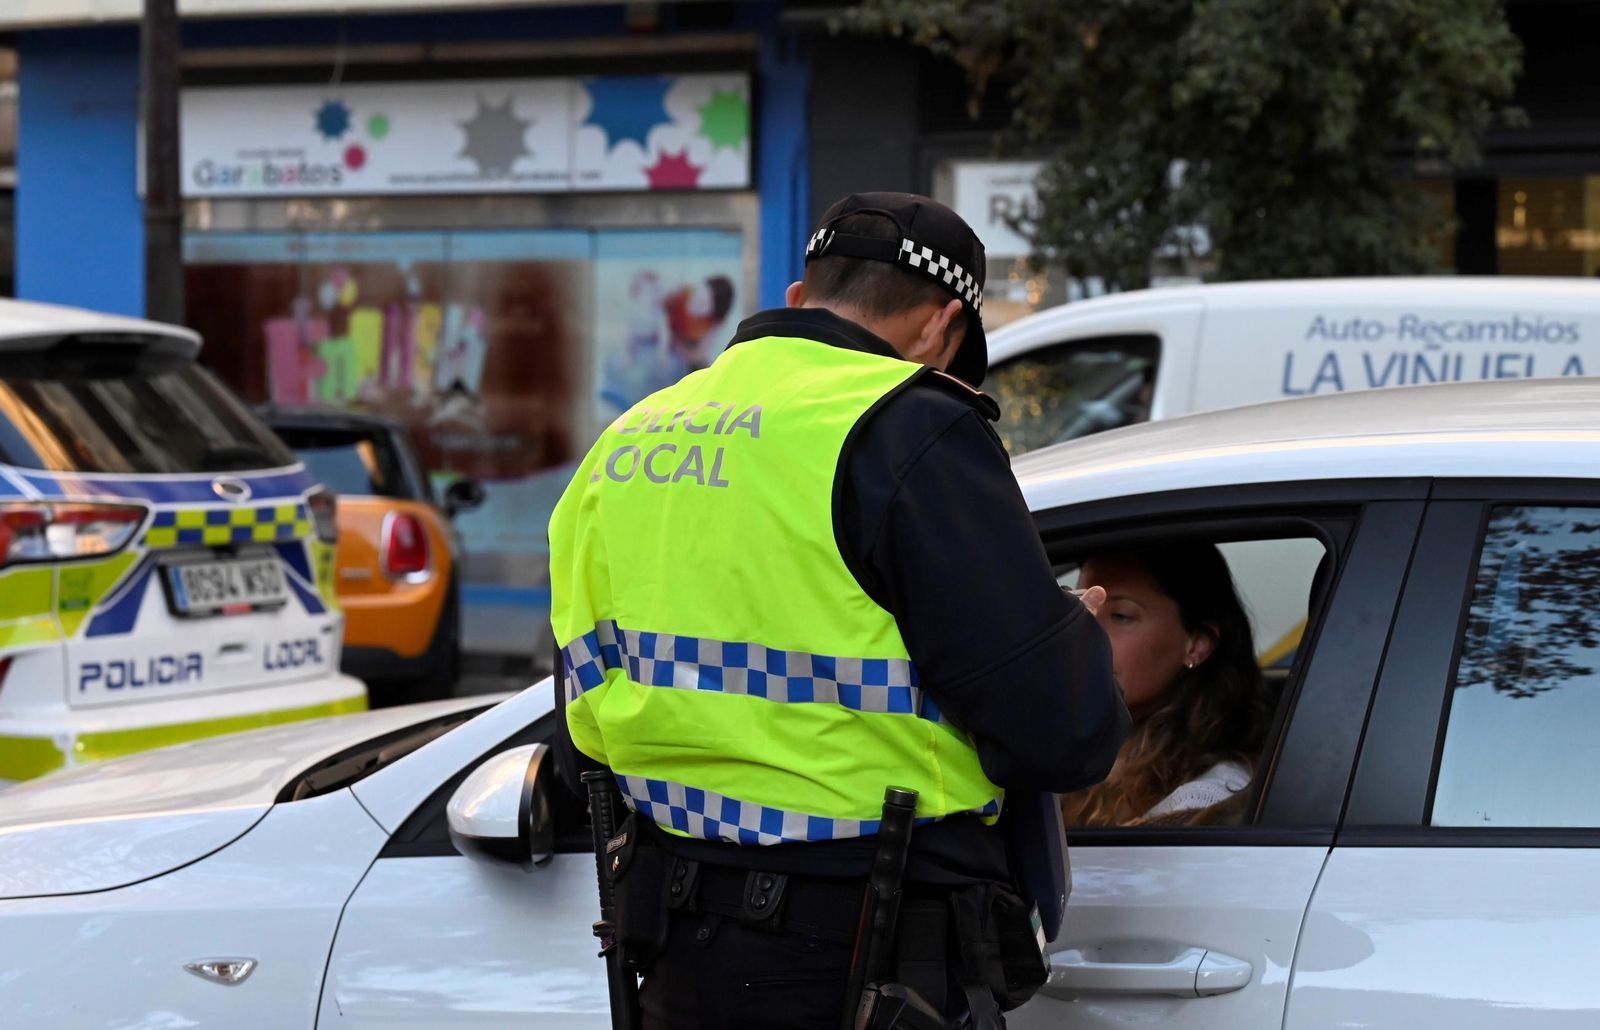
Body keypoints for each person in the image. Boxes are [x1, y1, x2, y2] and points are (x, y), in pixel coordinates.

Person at [549, 192, 1129, 1029]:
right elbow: (1062, 731)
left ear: (796, 298)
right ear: (942, 326)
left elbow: (581, 735)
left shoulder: (627, 440)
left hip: (676, 951)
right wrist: (1069, 629)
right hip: (867, 952)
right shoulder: (912, 427)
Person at [1058, 544, 1273, 827]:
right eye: (1083, 610)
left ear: (1196, 644)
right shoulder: (1062, 756)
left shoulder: (1208, 799)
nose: (1085, 633)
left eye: (1121, 615)